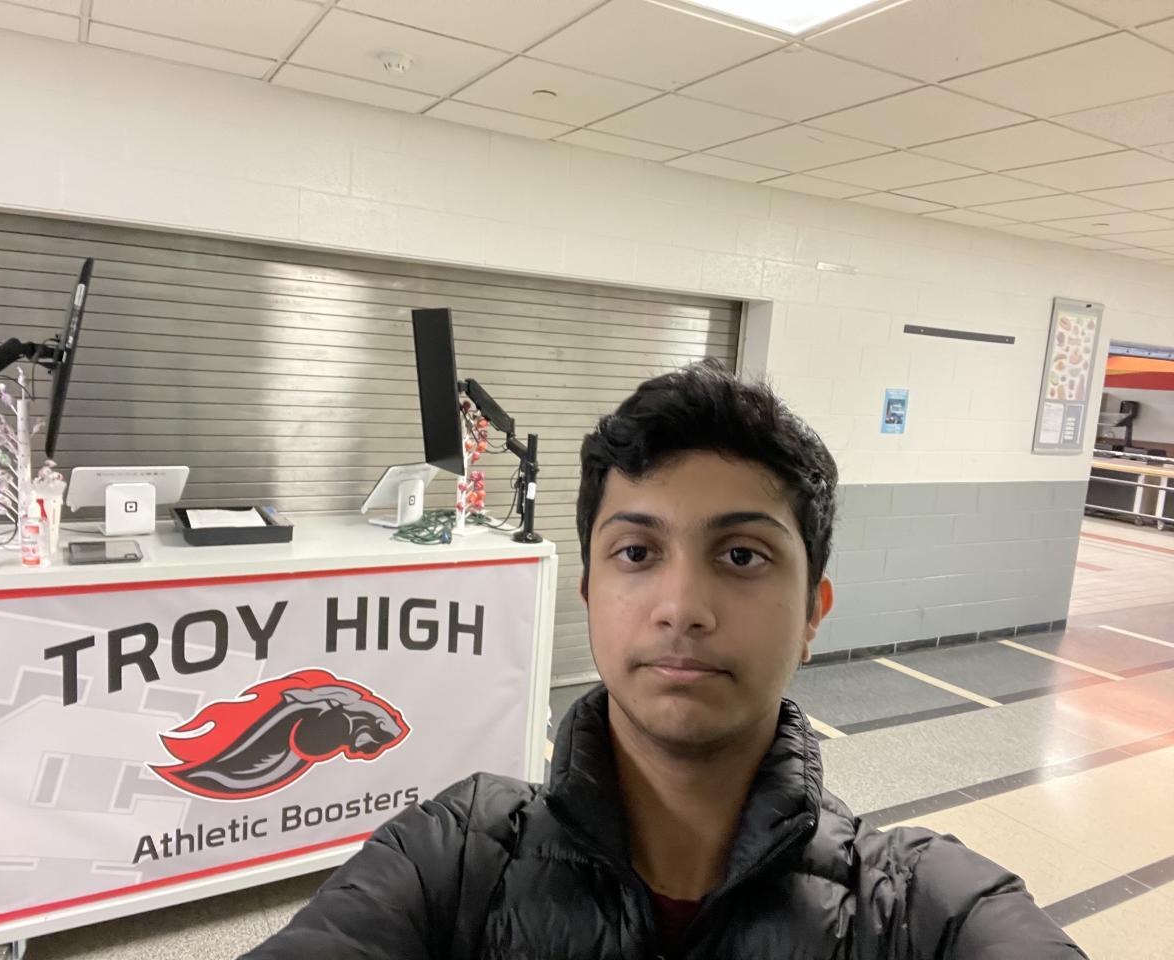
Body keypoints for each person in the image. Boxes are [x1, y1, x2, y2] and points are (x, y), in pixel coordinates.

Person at [241, 360, 1086, 959]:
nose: (682, 606)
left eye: (743, 555)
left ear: (812, 613)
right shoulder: (449, 860)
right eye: (637, 553)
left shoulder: (922, 910)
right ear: (587, 596)